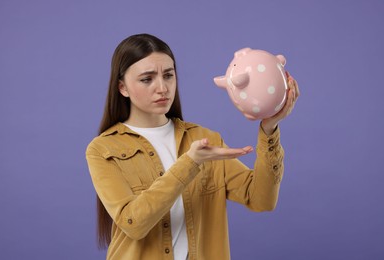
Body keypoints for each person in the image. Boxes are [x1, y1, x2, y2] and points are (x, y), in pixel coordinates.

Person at [85, 33, 299, 260]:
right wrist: (191, 162)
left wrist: (269, 129)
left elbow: (262, 199)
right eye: (147, 79)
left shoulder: (204, 138)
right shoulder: (103, 149)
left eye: (168, 75)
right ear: (123, 87)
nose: (162, 87)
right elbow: (134, 223)